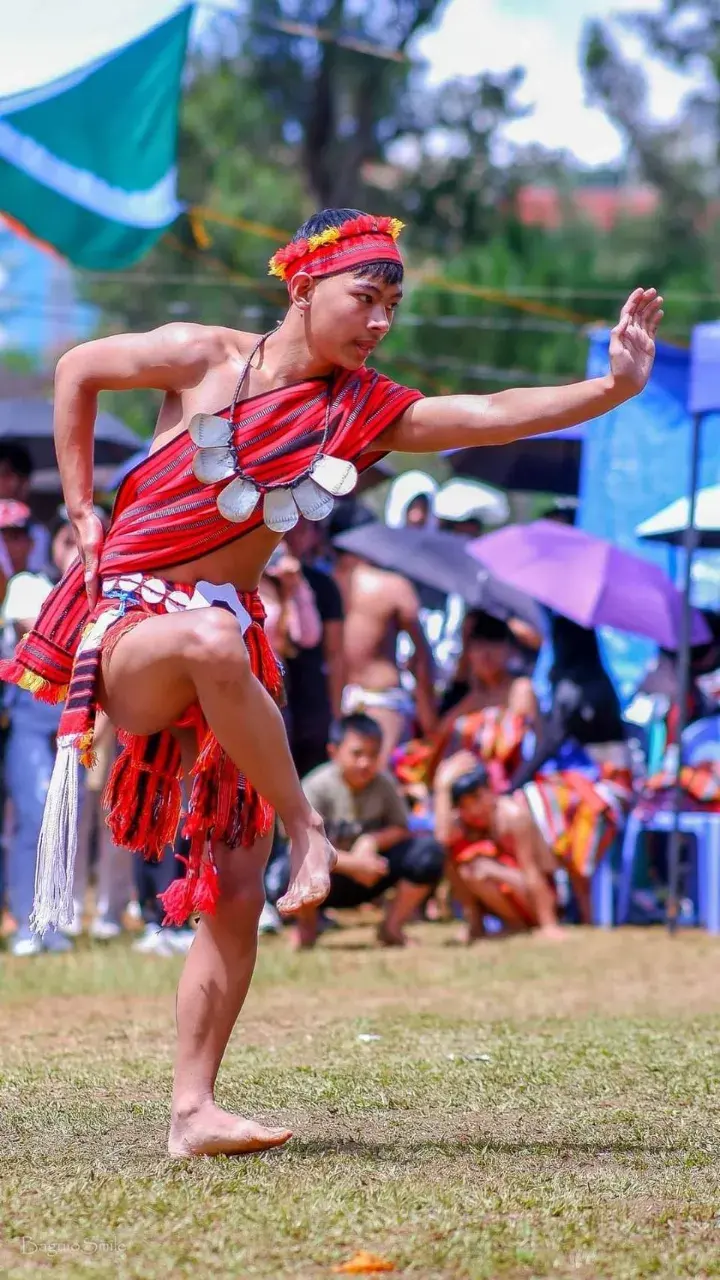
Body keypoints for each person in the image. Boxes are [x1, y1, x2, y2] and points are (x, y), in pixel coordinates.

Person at [0, 203, 662, 1156]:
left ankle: (193, 1112)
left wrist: (609, 388)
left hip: (230, 636)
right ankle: (310, 827)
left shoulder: (363, 412)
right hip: (133, 627)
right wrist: (79, 509)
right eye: (366, 297)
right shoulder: (199, 357)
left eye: (393, 303)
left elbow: (483, 413)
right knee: (213, 648)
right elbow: (75, 371)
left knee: (233, 886)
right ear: (305, 288)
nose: (381, 321)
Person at [275, 713, 444, 949]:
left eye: (373, 755)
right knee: (289, 868)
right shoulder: (316, 786)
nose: (365, 762)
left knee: (429, 852)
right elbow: (296, 841)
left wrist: (371, 841)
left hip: (374, 872)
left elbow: (401, 828)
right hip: (328, 878)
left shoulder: (384, 784)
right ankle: (307, 929)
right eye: (357, 754)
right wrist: (352, 863)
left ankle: (392, 927)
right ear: (334, 752)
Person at [335, 545, 438, 763]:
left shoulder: (323, 583)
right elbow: (423, 656)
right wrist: (429, 719)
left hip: (349, 698)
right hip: (376, 700)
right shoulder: (394, 586)